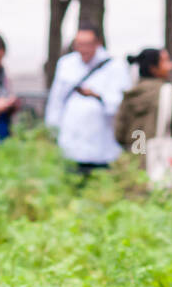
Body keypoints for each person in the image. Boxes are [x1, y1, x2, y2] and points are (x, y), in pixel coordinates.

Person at [45, 24, 130, 175]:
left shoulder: (115, 66)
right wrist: (52, 130)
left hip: (101, 143)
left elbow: (121, 104)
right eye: (79, 44)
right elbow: (56, 101)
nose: (83, 48)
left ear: (98, 43)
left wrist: (97, 96)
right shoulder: (66, 64)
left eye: (87, 44)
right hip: (71, 141)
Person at [114, 47, 172, 157]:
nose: (171, 66)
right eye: (165, 61)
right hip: (160, 160)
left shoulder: (130, 95)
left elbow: (119, 134)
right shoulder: (167, 91)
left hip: (133, 161)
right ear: (153, 68)